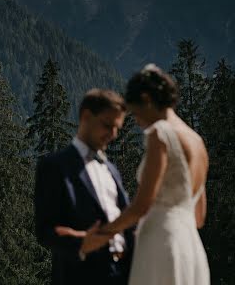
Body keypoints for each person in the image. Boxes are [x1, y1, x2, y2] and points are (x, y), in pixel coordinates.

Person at [58, 64, 210, 285]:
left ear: (147, 99)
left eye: (136, 112)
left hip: (161, 243)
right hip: (190, 248)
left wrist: (102, 233)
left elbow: (141, 206)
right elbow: (199, 217)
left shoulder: (160, 133)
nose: (137, 121)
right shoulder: (197, 141)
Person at [35, 89, 134, 285]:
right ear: (86, 116)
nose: (113, 134)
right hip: (82, 275)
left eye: (117, 128)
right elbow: (45, 231)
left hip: (124, 274)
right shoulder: (55, 166)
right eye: (107, 125)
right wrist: (82, 242)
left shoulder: (111, 169)